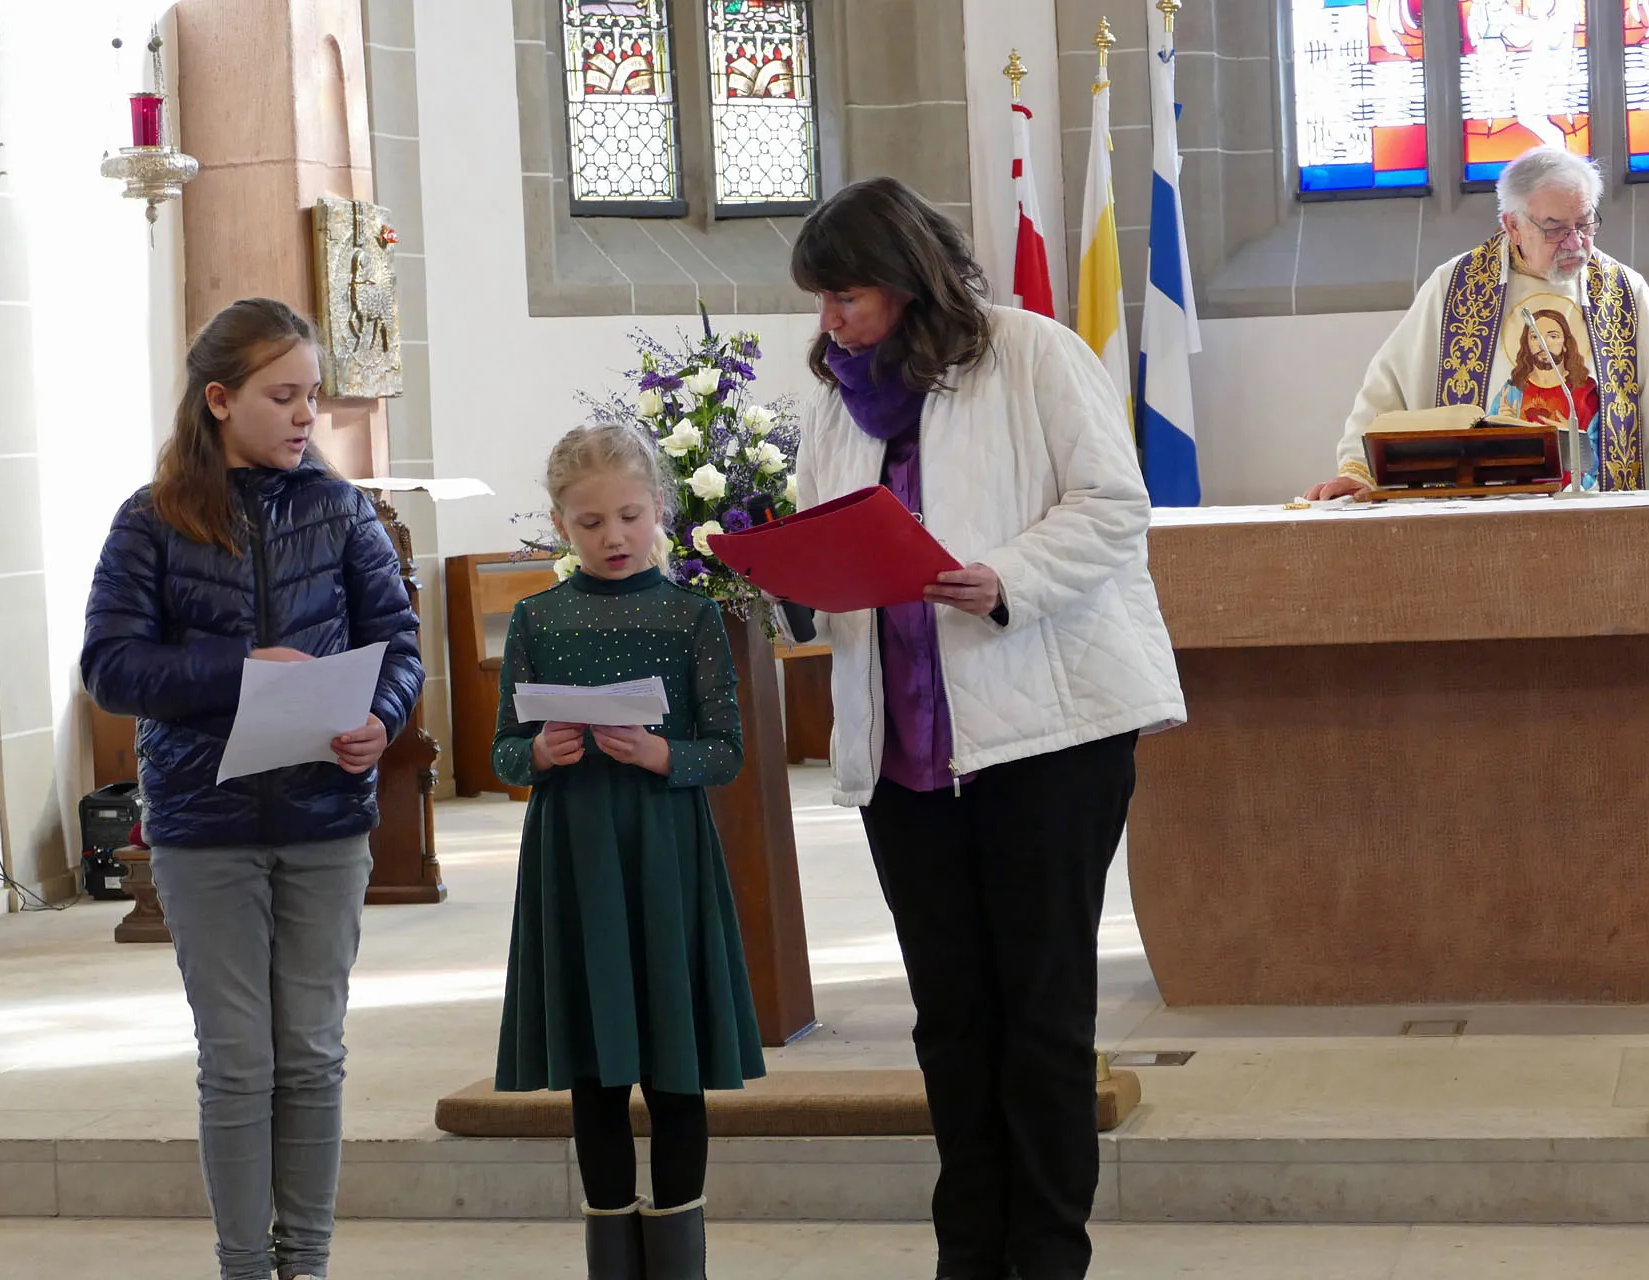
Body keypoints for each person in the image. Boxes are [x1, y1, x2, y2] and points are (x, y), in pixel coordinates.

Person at [790, 176, 1185, 1280]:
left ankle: (1049, 1254)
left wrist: (1000, 575)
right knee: (951, 1019)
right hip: (905, 757)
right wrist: (796, 575)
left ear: (908, 275)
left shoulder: (1032, 351)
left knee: (1043, 1013)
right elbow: (841, 546)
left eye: (849, 295)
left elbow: (1115, 503)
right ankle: (969, 1251)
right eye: (822, 301)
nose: (833, 321)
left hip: (1045, 740)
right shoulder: (837, 397)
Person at [81, 298, 424, 1280]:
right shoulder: (151, 521)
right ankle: (244, 1266)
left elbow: (396, 642)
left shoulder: (341, 507)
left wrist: (381, 715)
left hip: (325, 815)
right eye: (283, 395)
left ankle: (304, 1263)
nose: (305, 414)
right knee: (240, 1059)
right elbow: (112, 666)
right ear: (221, 399)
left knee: (311, 1053)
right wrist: (241, 669)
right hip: (205, 826)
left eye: (312, 394)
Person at [491, 422, 764, 1280]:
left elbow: (726, 749)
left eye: (630, 516)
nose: (613, 537)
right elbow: (503, 749)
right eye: (590, 522)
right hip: (575, 857)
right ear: (560, 523)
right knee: (595, 1064)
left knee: (673, 1063)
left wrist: (663, 755)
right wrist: (537, 754)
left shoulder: (691, 617)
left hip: (664, 855)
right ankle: (611, 1260)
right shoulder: (537, 618)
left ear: (661, 512)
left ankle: (682, 1263)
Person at [1305, 146, 1649, 500]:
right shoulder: (1456, 287)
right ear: (1511, 225)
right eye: (1555, 229)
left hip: (1601, 510)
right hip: (1478, 517)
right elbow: (1388, 391)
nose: (1576, 243)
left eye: (1585, 225)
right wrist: (1360, 470)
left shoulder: (1622, 292)